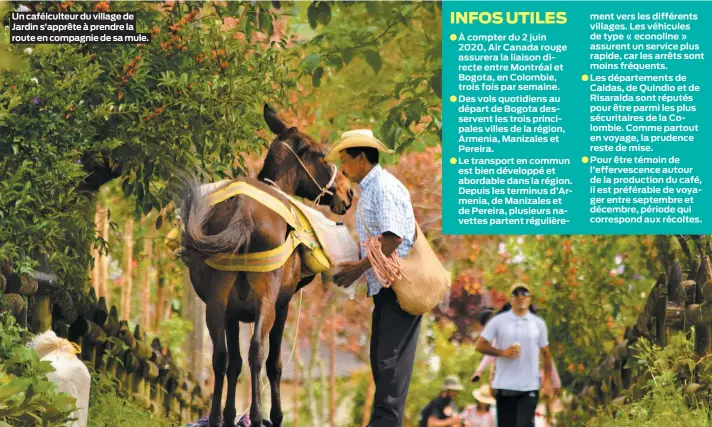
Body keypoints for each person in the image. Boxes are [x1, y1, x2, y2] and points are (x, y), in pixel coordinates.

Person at [326, 129, 418, 427]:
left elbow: (392, 238)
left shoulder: (384, 188)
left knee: (389, 364)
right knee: (381, 361)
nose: (343, 169)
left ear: (361, 158)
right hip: (384, 288)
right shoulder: (369, 190)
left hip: (399, 287)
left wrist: (358, 268)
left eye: (345, 161)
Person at [475, 283, 554, 427]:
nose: (520, 297)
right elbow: (480, 345)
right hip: (504, 386)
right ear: (510, 299)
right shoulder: (498, 322)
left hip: (529, 387)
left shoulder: (538, 324)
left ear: (530, 299)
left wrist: (548, 381)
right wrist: (501, 352)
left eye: (524, 294)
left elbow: (546, 355)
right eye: (516, 294)